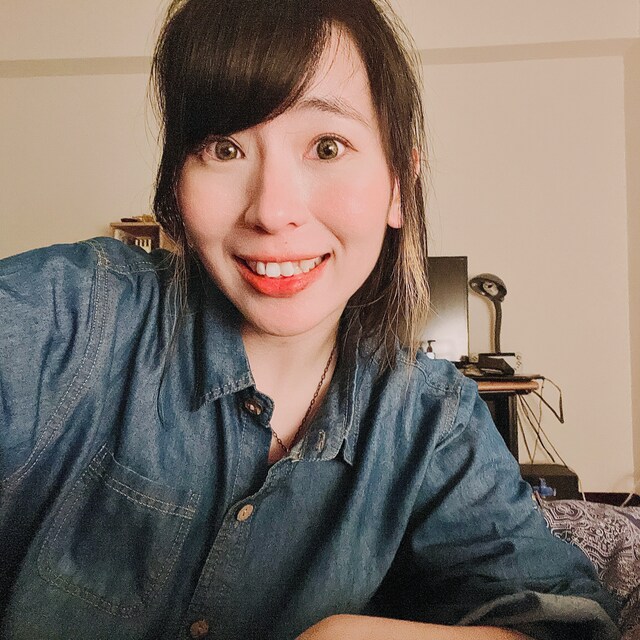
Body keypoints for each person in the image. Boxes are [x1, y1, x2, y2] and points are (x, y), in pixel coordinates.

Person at [0, 1, 621, 639]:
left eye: (327, 147)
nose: (272, 212)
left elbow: (569, 621)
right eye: (224, 148)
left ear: (398, 185)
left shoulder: (431, 422)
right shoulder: (66, 317)